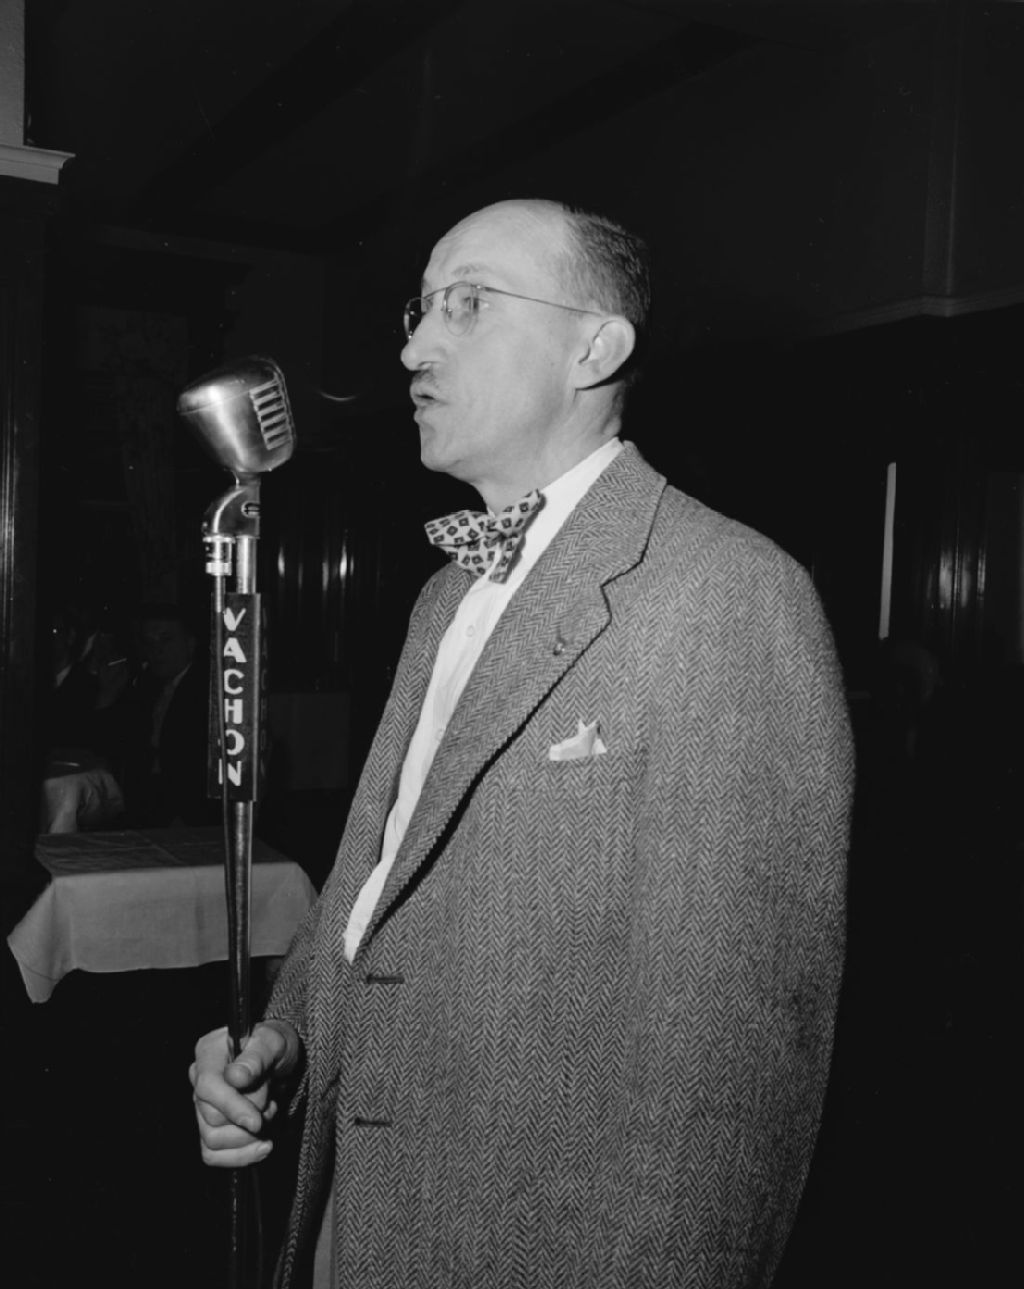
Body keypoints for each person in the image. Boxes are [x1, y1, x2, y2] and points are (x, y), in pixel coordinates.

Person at [191, 198, 854, 1289]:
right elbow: (377, 889)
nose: (413, 347)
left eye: (468, 304)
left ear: (595, 348)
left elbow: (727, 1093)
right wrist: (282, 1041)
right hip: (351, 1215)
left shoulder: (729, 595)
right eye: (418, 310)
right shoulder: (442, 596)